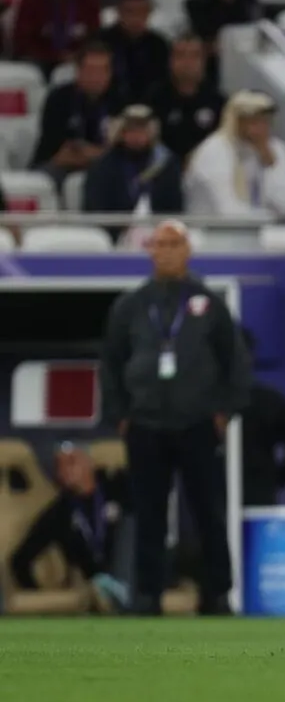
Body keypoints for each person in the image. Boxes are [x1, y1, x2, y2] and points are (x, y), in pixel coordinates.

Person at [98, 220, 253, 615]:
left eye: (173, 244)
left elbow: (235, 363)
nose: (165, 251)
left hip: (198, 423)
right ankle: (147, 595)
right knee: (147, 513)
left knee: (208, 512)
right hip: (145, 425)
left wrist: (224, 413)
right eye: (159, 244)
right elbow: (111, 364)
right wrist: (121, 416)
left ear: (187, 250)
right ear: (150, 250)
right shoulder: (131, 306)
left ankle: (217, 594)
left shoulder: (209, 305)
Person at [9, 442, 132, 611]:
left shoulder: (119, 489)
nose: (65, 470)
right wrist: (40, 598)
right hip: (92, 591)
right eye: (60, 465)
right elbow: (19, 560)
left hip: (132, 576)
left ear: (89, 462)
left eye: (72, 461)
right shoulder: (60, 512)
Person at [29, 40, 126, 193]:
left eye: (103, 70)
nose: (96, 77)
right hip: (58, 166)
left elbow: (124, 148)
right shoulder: (59, 98)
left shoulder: (120, 100)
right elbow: (62, 152)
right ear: (78, 71)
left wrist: (89, 153)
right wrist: (101, 153)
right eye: (91, 70)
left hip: (107, 169)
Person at [184, 90, 285, 218]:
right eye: (252, 121)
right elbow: (227, 211)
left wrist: (270, 164)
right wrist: (268, 217)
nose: (259, 127)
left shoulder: (277, 149)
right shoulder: (214, 151)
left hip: (262, 226)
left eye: (264, 120)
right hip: (210, 227)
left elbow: (284, 205)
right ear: (236, 121)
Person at [239, 326, 285, 507]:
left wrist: (274, 480)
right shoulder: (271, 401)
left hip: (219, 503)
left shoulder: (207, 404)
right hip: (259, 497)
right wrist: (274, 479)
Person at [82, 104, 182, 226]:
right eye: (131, 131)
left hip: (158, 230)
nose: (136, 136)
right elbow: (95, 208)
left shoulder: (166, 164)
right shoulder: (103, 166)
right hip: (114, 231)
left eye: (141, 131)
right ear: (122, 133)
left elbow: (175, 208)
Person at [147, 34, 227, 166]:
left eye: (195, 56)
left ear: (204, 61)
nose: (187, 62)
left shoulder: (218, 102)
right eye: (180, 55)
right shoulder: (154, 100)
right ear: (170, 61)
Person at [99, 0, 169, 103]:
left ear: (149, 13)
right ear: (119, 12)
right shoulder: (102, 42)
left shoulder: (159, 45)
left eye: (142, 11)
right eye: (129, 11)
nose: (136, 18)